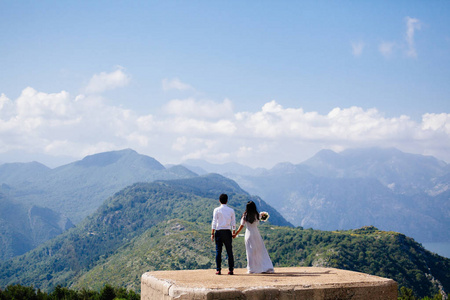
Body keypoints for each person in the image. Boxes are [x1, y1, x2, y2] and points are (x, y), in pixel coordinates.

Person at [233, 201, 274, 274]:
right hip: (256, 233)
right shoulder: (257, 215)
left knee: (250, 251)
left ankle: (252, 268)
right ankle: (263, 266)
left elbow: (241, 226)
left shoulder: (245, 215)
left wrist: (236, 233)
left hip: (248, 233)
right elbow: (259, 221)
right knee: (260, 250)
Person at [211, 193, 236, 275]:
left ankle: (218, 270)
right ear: (227, 201)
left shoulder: (216, 210)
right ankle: (231, 270)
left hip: (219, 231)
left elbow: (214, 222)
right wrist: (233, 232)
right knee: (229, 251)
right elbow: (233, 223)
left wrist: (212, 233)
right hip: (227, 231)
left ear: (219, 201)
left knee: (218, 251)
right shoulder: (231, 210)